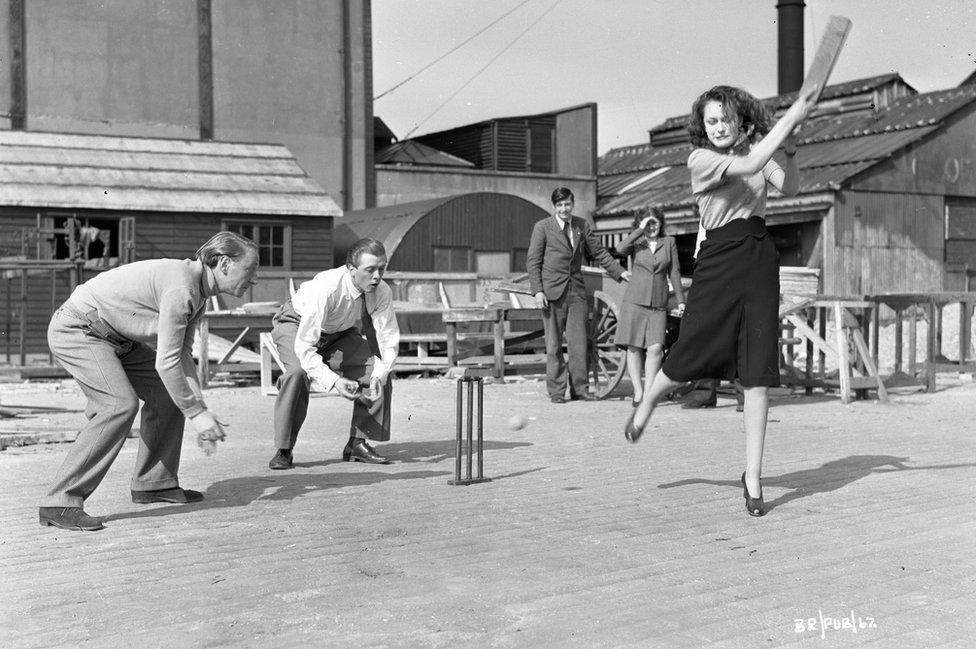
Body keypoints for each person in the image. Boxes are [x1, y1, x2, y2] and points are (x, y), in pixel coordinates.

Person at [624, 83, 817, 517]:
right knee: (691, 352)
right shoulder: (701, 159)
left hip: (758, 261)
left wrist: (790, 146)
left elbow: (789, 187)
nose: (717, 127)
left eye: (725, 119)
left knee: (757, 372)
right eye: (710, 121)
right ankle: (649, 400)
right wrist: (788, 121)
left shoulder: (758, 154)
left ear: (744, 122)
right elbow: (749, 161)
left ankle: (753, 475)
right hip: (718, 262)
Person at [40, 231, 260, 532]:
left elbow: (181, 356)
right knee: (117, 405)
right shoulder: (181, 288)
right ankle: (60, 501)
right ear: (223, 264)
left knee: (168, 394)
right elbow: (166, 362)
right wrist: (197, 416)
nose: (254, 280)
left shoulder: (198, 295)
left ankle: (154, 483)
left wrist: (199, 407)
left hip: (117, 339)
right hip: (79, 329)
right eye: (250, 270)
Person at [268, 238, 399, 469]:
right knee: (297, 373)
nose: (377, 276)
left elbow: (387, 336)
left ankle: (357, 444)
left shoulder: (382, 291)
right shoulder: (327, 287)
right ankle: (284, 449)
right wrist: (334, 382)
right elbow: (306, 347)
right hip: (297, 325)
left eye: (382, 268)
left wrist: (380, 373)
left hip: (339, 333)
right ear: (351, 270)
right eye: (370, 270)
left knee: (378, 371)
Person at [527, 187, 630, 403]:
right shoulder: (543, 227)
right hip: (552, 293)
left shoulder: (582, 226)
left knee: (579, 343)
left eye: (568, 204)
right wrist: (538, 291)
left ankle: (580, 389)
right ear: (554, 207)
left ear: (573, 204)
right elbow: (533, 261)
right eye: (560, 205)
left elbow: (600, 253)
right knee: (554, 346)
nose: (564, 209)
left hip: (576, 292)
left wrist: (620, 272)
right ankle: (556, 392)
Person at [614, 207, 685, 406]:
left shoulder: (669, 242)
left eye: (655, 222)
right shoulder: (636, 242)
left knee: (655, 348)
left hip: (658, 303)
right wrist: (640, 229)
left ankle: (649, 392)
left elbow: (675, 273)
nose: (652, 226)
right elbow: (619, 249)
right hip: (635, 301)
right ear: (641, 224)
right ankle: (638, 392)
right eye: (648, 223)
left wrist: (680, 301)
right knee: (634, 347)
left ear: (661, 223)